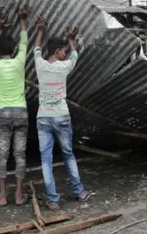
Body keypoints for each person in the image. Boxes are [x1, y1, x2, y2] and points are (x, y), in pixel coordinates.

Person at [33, 17, 92, 211]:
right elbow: (75, 55)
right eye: (63, 51)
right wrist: (71, 39)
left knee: (46, 160)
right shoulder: (63, 66)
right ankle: (80, 192)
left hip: (43, 118)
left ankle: (53, 200)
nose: (65, 54)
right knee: (68, 155)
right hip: (61, 116)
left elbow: (36, 49)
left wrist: (40, 30)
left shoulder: (40, 65)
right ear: (57, 51)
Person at [0, 7, 30, 207]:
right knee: (19, 154)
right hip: (21, 112)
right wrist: (22, 20)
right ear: (12, 51)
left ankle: (3, 196)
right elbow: (24, 40)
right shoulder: (19, 62)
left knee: (2, 155)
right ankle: (19, 195)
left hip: (3, 113)